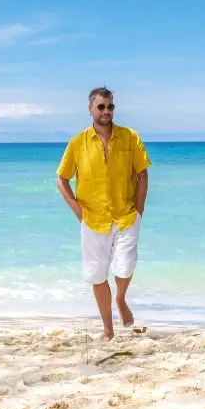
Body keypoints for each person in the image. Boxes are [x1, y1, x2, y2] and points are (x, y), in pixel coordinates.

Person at [56, 87, 151, 338]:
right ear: (90, 109)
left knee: (125, 266)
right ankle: (108, 330)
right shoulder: (77, 142)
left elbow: (142, 174)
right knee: (97, 274)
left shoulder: (130, 137)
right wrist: (79, 211)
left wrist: (139, 210)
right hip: (93, 218)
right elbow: (62, 179)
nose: (106, 111)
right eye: (101, 107)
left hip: (126, 214)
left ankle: (120, 299)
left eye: (110, 107)